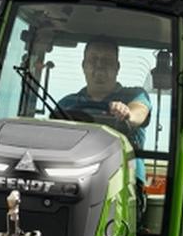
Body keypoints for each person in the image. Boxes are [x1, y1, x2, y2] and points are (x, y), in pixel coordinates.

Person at [56, 40, 152, 181]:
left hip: (125, 180)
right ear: (83, 66)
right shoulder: (66, 104)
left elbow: (140, 111)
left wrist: (127, 113)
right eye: (93, 60)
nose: (99, 66)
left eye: (107, 61)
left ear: (117, 67)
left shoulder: (134, 95)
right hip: (74, 176)